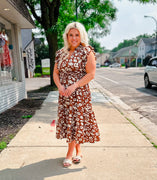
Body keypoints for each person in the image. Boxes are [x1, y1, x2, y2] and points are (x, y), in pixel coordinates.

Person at [53, 22, 100, 168]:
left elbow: (91, 74)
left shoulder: (87, 51)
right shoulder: (60, 53)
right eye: (71, 35)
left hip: (79, 94)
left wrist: (74, 85)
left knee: (76, 122)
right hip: (65, 95)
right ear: (67, 36)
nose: (74, 38)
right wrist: (60, 86)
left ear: (82, 35)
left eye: (77, 35)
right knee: (71, 124)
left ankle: (69, 154)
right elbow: (55, 73)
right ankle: (78, 151)